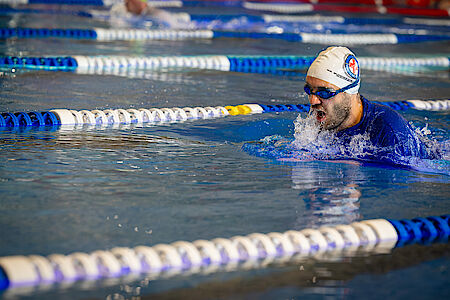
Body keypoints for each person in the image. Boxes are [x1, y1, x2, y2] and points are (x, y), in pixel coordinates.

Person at [303, 46, 432, 163]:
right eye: (309, 90)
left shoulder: (390, 134)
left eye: (325, 93)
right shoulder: (324, 120)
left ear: (349, 91)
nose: (313, 101)